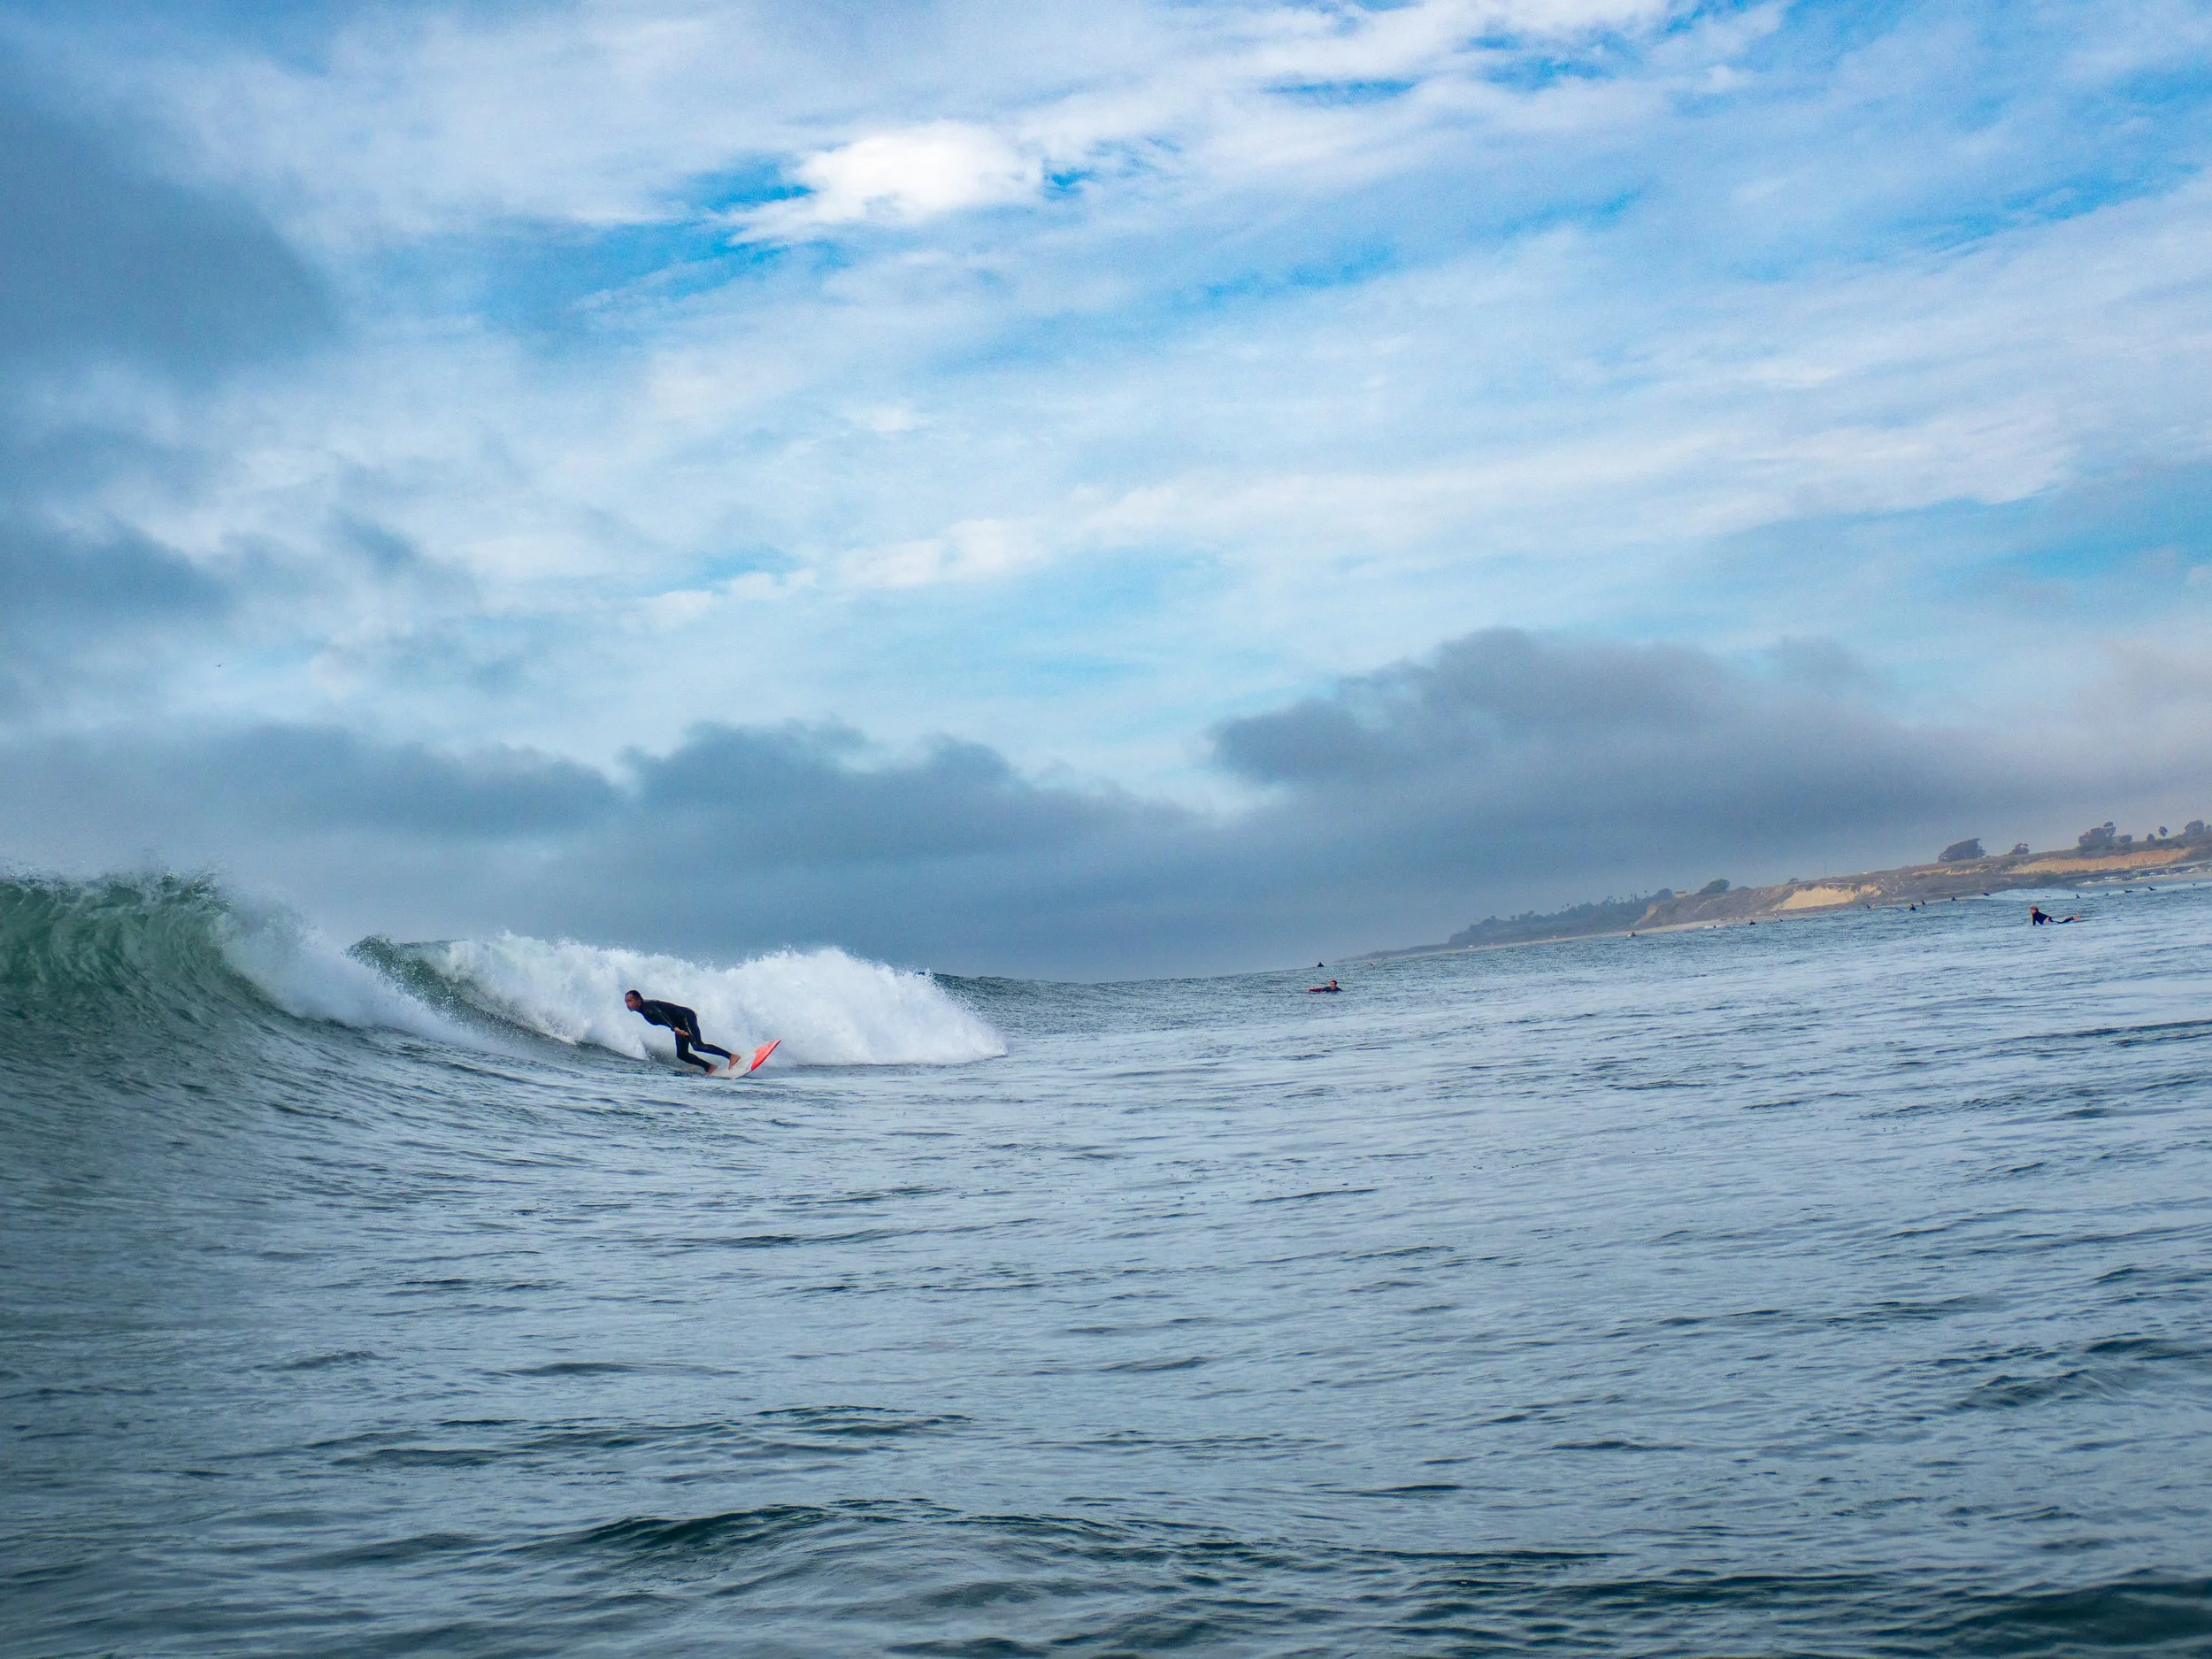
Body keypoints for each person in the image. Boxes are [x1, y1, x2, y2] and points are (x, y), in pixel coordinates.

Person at [624, 989, 734, 1074]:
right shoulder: (644, 1008)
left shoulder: (648, 1009)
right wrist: (676, 1026)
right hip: (680, 1023)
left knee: (698, 1046)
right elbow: (667, 1007)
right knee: (682, 1054)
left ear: (638, 1000)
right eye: (626, 1002)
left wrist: (675, 1028)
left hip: (686, 1017)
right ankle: (709, 1067)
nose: (628, 1004)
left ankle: (732, 1057)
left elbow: (662, 1015)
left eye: (630, 1001)